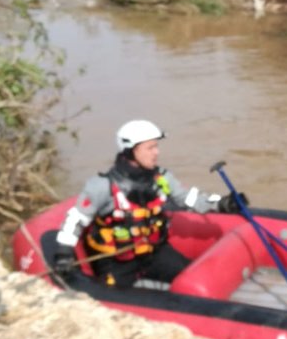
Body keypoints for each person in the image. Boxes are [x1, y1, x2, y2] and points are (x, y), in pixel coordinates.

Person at [52, 119, 245, 287]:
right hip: (116, 262)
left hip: (154, 252)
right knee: (112, 295)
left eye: (156, 146)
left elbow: (187, 198)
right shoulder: (102, 186)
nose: (156, 153)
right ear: (131, 151)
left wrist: (221, 203)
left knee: (193, 278)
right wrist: (63, 253)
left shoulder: (162, 177)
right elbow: (75, 219)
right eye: (150, 148)